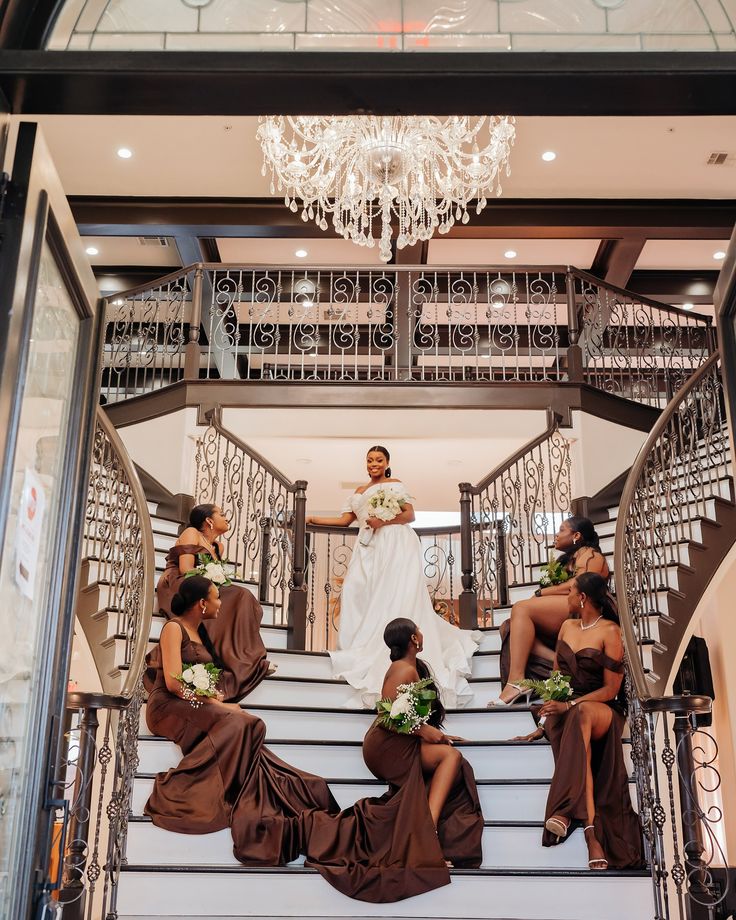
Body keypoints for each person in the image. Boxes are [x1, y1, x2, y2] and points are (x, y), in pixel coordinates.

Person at [144, 575, 339, 863]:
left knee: (248, 723)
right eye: (215, 598)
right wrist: (218, 705)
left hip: (192, 703)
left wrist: (219, 702)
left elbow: (205, 679)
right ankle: (195, 788)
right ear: (201, 604)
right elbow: (173, 684)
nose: (220, 603)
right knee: (242, 722)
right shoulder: (174, 628)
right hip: (168, 707)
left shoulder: (202, 633)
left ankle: (261, 788)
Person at [302, 618, 484, 901]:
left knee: (450, 756)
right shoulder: (402, 669)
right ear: (413, 638)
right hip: (385, 745)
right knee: (450, 759)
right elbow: (387, 714)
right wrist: (425, 731)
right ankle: (428, 832)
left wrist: (436, 734)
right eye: (420, 631)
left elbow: (412, 717)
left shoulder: (411, 669)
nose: (422, 635)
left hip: (400, 742)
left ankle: (425, 830)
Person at [306, 446, 481, 707]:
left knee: (393, 593)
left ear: (387, 462)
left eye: (378, 460)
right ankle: (359, 645)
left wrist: (384, 522)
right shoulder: (358, 492)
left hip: (395, 543)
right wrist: (310, 518)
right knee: (356, 592)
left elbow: (409, 515)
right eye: (369, 460)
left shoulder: (395, 484)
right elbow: (344, 521)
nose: (373, 463)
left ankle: (388, 645)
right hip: (368, 549)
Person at [512, 573, 643, 870]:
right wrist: (544, 722)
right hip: (566, 706)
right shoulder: (566, 627)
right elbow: (557, 677)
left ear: (582, 598)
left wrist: (569, 703)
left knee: (579, 715)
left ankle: (572, 817)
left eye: (570, 591)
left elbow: (610, 690)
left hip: (601, 706)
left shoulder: (610, 632)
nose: (567, 597)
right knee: (567, 721)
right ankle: (587, 828)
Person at [156, 503, 272, 701]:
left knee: (244, 598)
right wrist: (212, 580)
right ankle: (235, 657)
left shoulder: (219, 546)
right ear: (209, 520)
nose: (226, 518)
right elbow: (185, 568)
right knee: (238, 595)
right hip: (181, 583)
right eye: (222, 514)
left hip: (204, 585)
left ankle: (244, 658)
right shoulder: (191, 533)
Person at [491, 515, 609, 706]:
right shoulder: (570, 559)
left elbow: (581, 585)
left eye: (562, 530)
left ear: (576, 535)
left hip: (583, 605)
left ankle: (516, 681)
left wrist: (541, 592)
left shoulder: (590, 554)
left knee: (521, 608)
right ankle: (560, 661)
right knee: (510, 627)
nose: (556, 534)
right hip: (568, 605)